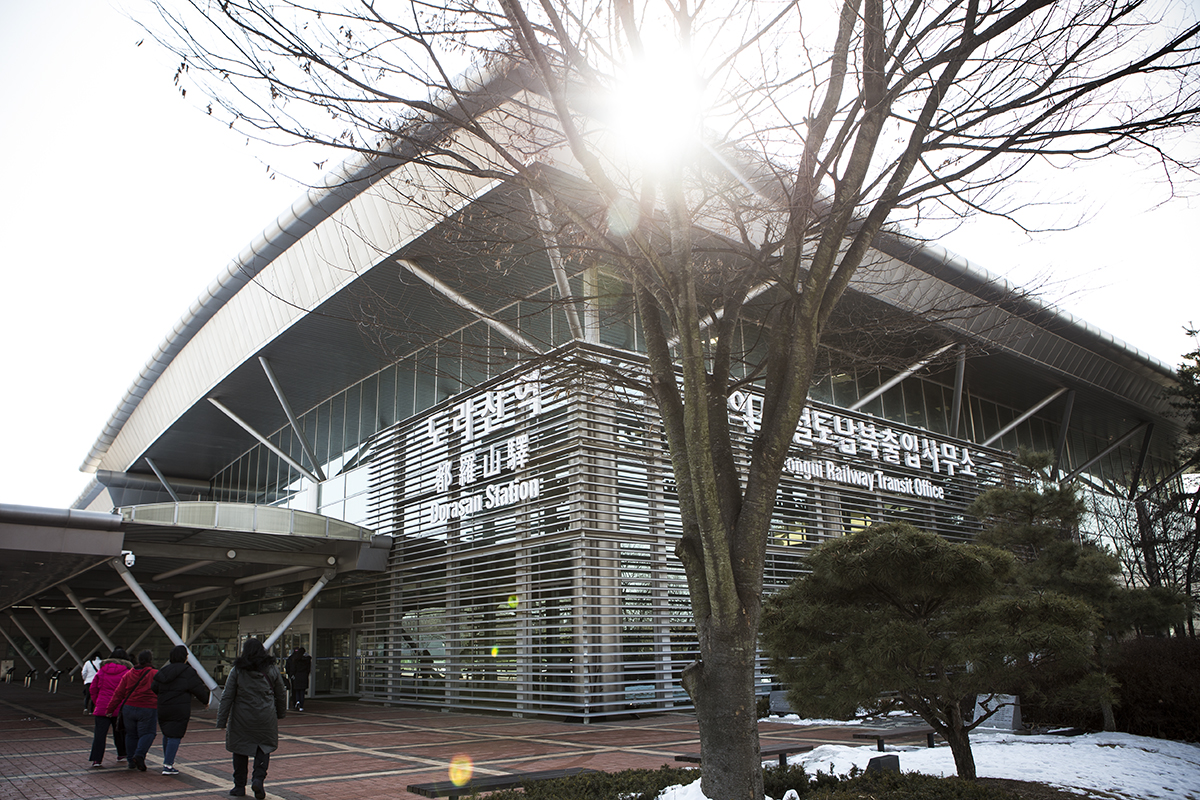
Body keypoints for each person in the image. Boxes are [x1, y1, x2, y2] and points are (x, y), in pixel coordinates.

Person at [217, 639, 287, 799]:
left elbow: (227, 696)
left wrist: (221, 720)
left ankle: (239, 786)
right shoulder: (271, 669)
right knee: (264, 747)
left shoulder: (238, 670)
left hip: (241, 717)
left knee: (240, 749)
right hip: (265, 716)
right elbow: (281, 693)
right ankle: (258, 779)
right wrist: (280, 713)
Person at [151, 644, 211, 776]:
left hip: (163, 706)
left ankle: (167, 761)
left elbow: (154, 686)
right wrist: (205, 701)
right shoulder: (188, 671)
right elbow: (197, 688)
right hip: (180, 708)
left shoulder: (164, 670)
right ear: (185, 657)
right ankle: (168, 765)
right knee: (175, 735)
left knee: (167, 733)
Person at [105, 650, 158, 772]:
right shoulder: (154, 674)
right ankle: (139, 754)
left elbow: (119, 693)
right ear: (150, 660)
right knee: (148, 733)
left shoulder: (129, 674)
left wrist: (110, 709)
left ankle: (130, 761)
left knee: (131, 734)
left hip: (129, 707)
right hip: (148, 707)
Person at [87, 648, 132, 769]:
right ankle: (122, 753)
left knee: (99, 734)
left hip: (102, 707)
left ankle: (97, 759)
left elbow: (93, 688)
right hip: (119, 707)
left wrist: (98, 702)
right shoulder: (127, 672)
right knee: (120, 732)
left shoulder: (102, 670)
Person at [284, 646, 312, 711]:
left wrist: (291, 675)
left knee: (296, 691)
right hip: (304, 676)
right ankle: (301, 705)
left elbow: (290, 668)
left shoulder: (294, 659)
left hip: (296, 676)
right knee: (302, 692)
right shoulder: (307, 660)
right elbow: (308, 669)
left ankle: (296, 702)